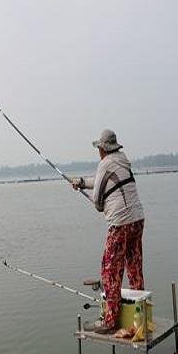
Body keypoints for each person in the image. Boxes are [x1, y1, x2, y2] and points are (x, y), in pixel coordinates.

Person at [71, 129, 145, 334]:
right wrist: (81, 183)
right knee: (134, 265)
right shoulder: (122, 160)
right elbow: (102, 180)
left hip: (120, 223)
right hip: (137, 220)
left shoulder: (104, 163)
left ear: (103, 149)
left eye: (99, 149)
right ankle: (140, 313)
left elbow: (97, 203)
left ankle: (110, 321)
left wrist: (93, 198)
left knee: (110, 270)